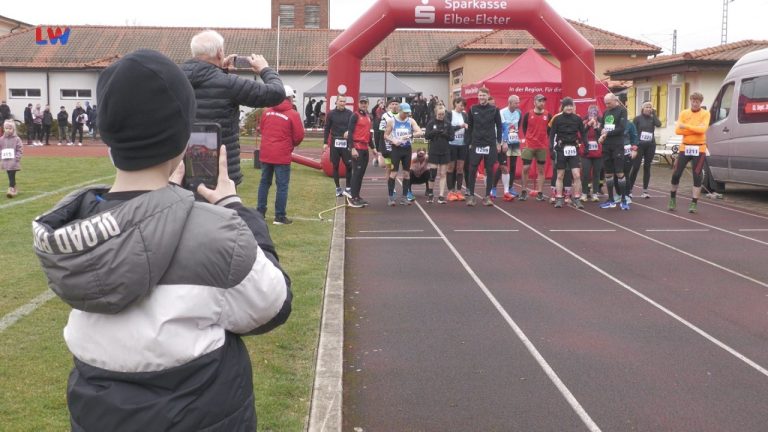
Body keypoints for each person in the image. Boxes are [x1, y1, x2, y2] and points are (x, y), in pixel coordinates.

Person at [32, 49, 292, 431]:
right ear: (182, 138)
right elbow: (273, 304)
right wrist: (233, 206)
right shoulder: (217, 232)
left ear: (108, 135)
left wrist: (159, 200)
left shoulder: (74, 225)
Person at [181, 29, 285, 186]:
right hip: (221, 172)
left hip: (184, 169)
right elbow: (276, 93)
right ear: (219, 52)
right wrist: (265, 69)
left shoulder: (174, 77)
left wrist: (220, 70)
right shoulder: (229, 83)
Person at [258, 84, 304, 225]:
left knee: (264, 183)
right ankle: (279, 216)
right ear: (289, 98)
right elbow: (298, 136)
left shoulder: (266, 112)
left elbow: (262, 129)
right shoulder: (293, 114)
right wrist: (289, 145)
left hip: (266, 153)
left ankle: (260, 212)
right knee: (282, 186)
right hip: (282, 155)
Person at [669, 91, 710, 213]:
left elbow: (703, 129)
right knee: (676, 173)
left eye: (697, 101)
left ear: (700, 102)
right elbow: (677, 131)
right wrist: (695, 129)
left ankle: (694, 203)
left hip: (700, 148)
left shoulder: (705, 113)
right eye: (693, 101)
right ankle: (672, 199)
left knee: (697, 176)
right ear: (690, 101)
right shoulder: (684, 113)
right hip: (685, 147)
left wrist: (686, 127)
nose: (695, 103)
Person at [466, 87, 502, 207]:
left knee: (489, 169)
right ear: (478, 96)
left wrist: (498, 142)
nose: (482, 97)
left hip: (490, 143)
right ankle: (471, 195)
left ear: (488, 96)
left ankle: (487, 196)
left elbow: (499, 126)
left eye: (484, 95)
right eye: (480, 95)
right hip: (476, 142)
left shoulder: (495, 109)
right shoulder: (472, 109)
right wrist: (469, 142)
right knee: (472, 168)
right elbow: (469, 127)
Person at [384, 102, 424, 205]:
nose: (407, 114)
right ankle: (391, 197)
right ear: (400, 110)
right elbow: (386, 135)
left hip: (407, 149)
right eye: (405, 112)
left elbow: (420, 132)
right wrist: (394, 141)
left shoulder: (410, 121)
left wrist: (410, 135)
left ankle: (404, 197)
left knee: (406, 174)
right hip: (396, 149)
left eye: (408, 113)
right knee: (394, 173)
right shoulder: (391, 121)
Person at [548, 97, 585, 209]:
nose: (569, 107)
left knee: (577, 175)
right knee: (560, 175)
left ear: (573, 107)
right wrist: (551, 149)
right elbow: (551, 135)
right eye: (567, 106)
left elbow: (583, 134)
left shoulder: (577, 119)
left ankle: (577, 198)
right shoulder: (557, 119)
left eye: (571, 105)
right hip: (561, 149)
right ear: (563, 107)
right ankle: (559, 198)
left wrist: (585, 145)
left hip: (573, 148)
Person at [598, 93, 629, 210]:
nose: (607, 105)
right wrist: (601, 132)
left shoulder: (622, 111)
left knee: (619, 172)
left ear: (615, 101)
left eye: (608, 103)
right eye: (605, 103)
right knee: (608, 173)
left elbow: (621, 128)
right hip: (606, 146)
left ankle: (623, 199)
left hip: (617, 145)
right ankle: (610, 199)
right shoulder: (606, 112)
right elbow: (602, 126)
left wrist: (606, 134)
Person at [347, 96, 376, 208]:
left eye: (365, 103)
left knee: (361, 174)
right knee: (357, 173)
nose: (364, 105)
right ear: (359, 104)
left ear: (368, 104)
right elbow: (350, 132)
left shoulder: (368, 117)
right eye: (362, 103)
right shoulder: (355, 116)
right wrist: (352, 148)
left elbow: (368, 134)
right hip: (357, 148)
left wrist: (373, 148)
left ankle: (357, 196)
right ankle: (353, 198)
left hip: (365, 149)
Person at [520, 94, 550, 201]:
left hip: (542, 146)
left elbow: (549, 130)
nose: (542, 103)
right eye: (540, 101)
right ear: (535, 102)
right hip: (529, 145)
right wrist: (529, 138)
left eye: (543, 101)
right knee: (526, 168)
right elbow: (524, 127)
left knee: (541, 170)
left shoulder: (548, 114)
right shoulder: (528, 114)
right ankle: (523, 191)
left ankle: (540, 192)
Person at [323, 95, 354, 197]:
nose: (342, 103)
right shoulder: (331, 114)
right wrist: (325, 142)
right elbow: (327, 128)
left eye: (344, 101)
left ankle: (348, 188)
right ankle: (338, 188)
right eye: (340, 101)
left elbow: (353, 127)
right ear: (336, 102)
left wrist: (348, 132)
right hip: (335, 142)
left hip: (345, 143)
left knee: (349, 165)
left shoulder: (349, 114)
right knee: (335, 165)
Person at [630, 101, 661, 199]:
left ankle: (645, 190)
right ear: (642, 108)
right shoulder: (637, 119)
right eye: (647, 107)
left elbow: (659, 124)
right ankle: (629, 189)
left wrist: (655, 114)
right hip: (639, 146)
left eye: (650, 107)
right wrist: (634, 145)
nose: (649, 109)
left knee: (647, 167)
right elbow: (632, 132)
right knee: (636, 167)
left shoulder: (652, 119)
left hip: (650, 145)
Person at [424, 105, 454, 203]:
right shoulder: (431, 123)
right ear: (436, 113)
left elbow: (452, 137)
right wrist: (434, 132)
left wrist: (445, 135)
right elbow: (426, 136)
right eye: (439, 114)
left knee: (443, 173)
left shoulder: (448, 124)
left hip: (445, 151)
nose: (441, 116)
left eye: (443, 114)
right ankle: (431, 193)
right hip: (434, 151)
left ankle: (441, 196)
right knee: (433, 174)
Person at [499, 95, 522, 201]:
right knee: (503, 165)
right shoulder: (502, 112)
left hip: (514, 141)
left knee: (513, 165)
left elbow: (519, 125)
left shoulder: (519, 113)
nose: (518, 104)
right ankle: (494, 187)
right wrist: (503, 141)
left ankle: (511, 187)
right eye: (516, 103)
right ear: (510, 103)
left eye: (518, 102)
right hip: (505, 142)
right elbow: (501, 127)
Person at [446, 97, 469, 201]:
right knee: (450, 168)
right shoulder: (449, 114)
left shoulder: (464, 115)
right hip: (451, 144)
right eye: (461, 105)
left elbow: (468, 128)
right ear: (455, 104)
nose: (462, 107)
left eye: (464, 106)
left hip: (462, 145)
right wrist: (460, 126)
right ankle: (450, 191)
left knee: (460, 168)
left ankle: (459, 191)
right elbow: (448, 129)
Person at [580, 104, 603, 202]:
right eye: (591, 112)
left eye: (595, 113)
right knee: (585, 173)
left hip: (598, 152)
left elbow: (602, 135)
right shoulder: (584, 122)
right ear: (588, 113)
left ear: (597, 114)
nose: (593, 115)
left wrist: (596, 127)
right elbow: (580, 134)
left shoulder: (601, 123)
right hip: (586, 152)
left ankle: (595, 193)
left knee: (596, 173)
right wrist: (589, 125)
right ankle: (584, 193)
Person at [1, 120, 23, 198]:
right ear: (4, 129)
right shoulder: (2, 139)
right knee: (9, 174)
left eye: (10, 128)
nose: (8, 130)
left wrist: (17, 157)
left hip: (13, 161)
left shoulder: (17, 139)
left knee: (11, 174)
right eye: (6, 128)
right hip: (6, 161)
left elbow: (20, 149)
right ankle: (14, 187)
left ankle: (11, 189)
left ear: (13, 129)